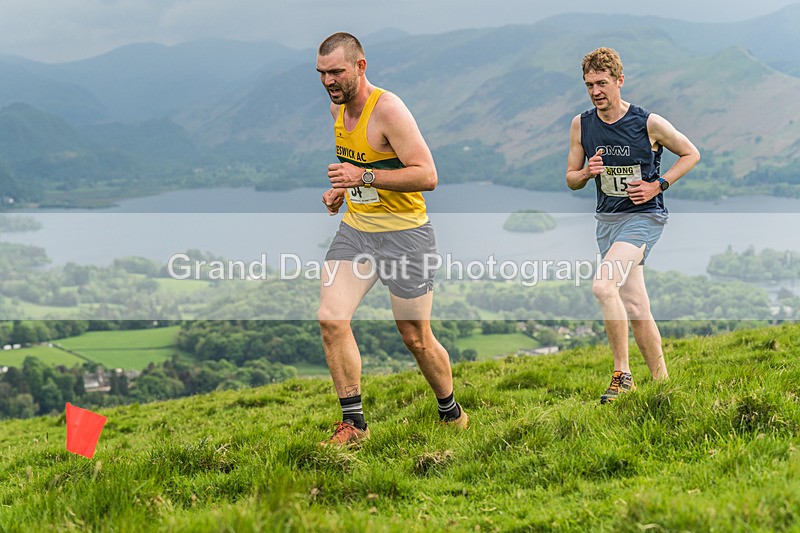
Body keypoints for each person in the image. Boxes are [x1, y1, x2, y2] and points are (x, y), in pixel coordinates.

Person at [315, 32, 468, 445]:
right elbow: (358, 164)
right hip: (357, 232)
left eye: (336, 72)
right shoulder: (336, 108)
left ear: (360, 66)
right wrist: (341, 189)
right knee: (331, 318)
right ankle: (354, 425)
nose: (328, 81)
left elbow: (427, 175)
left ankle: (451, 411)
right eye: (322, 73)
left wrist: (362, 177)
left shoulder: (389, 110)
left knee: (416, 337)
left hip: (406, 237)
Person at [566, 47, 700, 404]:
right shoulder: (581, 125)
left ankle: (622, 375)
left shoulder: (648, 123)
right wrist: (586, 172)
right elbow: (571, 179)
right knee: (637, 306)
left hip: (644, 217)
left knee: (603, 286)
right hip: (608, 221)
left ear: (619, 81)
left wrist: (659, 184)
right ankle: (662, 385)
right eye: (589, 85)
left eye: (602, 83)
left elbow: (691, 153)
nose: (595, 91)